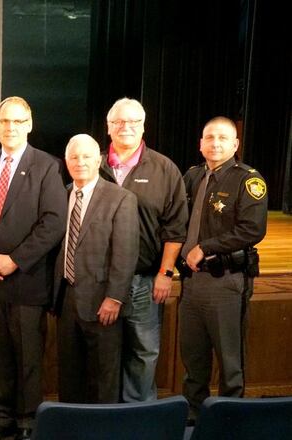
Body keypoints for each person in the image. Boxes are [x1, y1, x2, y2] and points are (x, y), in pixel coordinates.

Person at [0, 97, 67, 440]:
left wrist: (14, 260)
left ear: (29, 125)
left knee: (29, 357)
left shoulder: (47, 166)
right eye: (4, 121)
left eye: (17, 121)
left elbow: (53, 223)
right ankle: (1, 421)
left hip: (27, 280)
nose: (10, 127)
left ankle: (28, 422)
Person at [178, 116, 267, 422]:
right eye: (210, 138)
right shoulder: (192, 176)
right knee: (193, 355)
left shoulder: (247, 180)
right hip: (191, 282)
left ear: (235, 144)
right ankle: (193, 414)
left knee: (230, 359)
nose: (215, 143)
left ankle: (231, 419)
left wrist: (207, 247)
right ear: (201, 143)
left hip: (226, 281)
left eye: (223, 138)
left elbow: (252, 229)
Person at [99, 98, 189, 402]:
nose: (126, 127)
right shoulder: (91, 165)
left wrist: (165, 273)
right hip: (99, 281)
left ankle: (138, 419)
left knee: (143, 351)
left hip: (145, 280)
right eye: (119, 122)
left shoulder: (165, 169)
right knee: (105, 353)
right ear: (108, 127)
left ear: (143, 126)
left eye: (133, 122)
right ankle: (107, 420)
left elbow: (176, 228)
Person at [53, 134, 139, 404]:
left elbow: (126, 253)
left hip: (103, 302)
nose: (80, 162)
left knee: (103, 377)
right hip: (66, 299)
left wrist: (114, 298)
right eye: (74, 157)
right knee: (69, 375)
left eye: (86, 156)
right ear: (66, 161)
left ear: (99, 160)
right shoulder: (61, 194)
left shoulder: (120, 198)